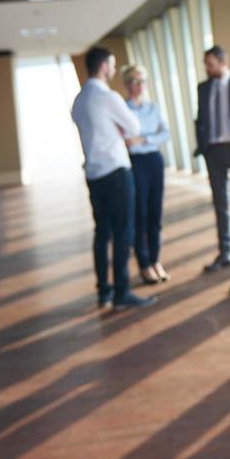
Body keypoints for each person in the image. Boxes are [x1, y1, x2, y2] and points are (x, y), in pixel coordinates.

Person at [69, 45, 157, 311]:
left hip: (94, 174)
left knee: (102, 233)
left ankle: (104, 293)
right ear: (104, 67)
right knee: (123, 233)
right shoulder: (109, 97)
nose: (115, 69)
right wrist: (119, 128)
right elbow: (135, 127)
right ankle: (122, 292)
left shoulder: (79, 100)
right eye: (113, 64)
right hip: (116, 172)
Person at [194, 45, 230, 271]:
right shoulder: (203, 88)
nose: (206, 68)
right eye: (205, 64)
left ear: (222, 62)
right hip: (213, 152)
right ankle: (225, 253)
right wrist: (203, 145)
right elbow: (200, 119)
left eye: (210, 64)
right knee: (221, 205)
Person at [122, 64, 171, 285]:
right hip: (135, 163)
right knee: (140, 214)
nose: (140, 86)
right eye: (135, 81)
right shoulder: (123, 110)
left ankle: (155, 260)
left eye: (143, 81)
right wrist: (148, 137)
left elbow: (166, 133)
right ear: (127, 84)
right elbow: (126, 140)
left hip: (154, 160)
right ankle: (144, 264)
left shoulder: (153, 108)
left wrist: (144, 138)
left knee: (155, 213)